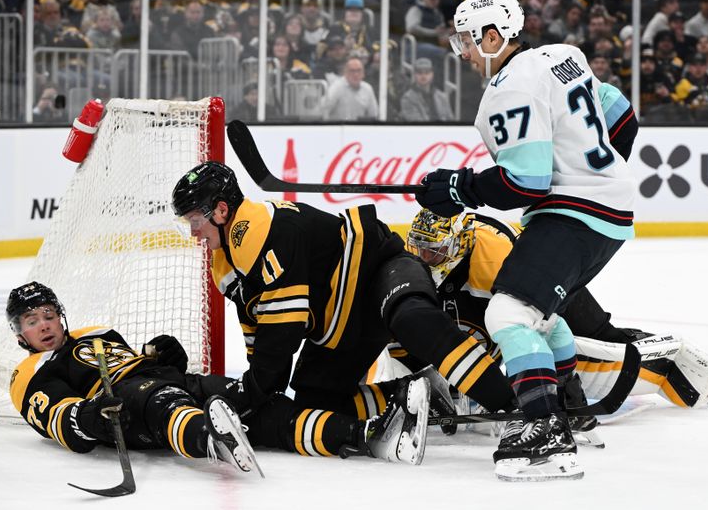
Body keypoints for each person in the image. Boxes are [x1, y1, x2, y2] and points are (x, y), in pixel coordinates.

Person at [417, 0, 637, 480]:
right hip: (604, 208)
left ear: (493, 36)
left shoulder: (508, 87)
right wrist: (592, 170)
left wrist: (457, 186)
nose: (466, 53)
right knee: (536, 313)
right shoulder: (563, 56)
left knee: (509, 313)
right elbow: (623, 120)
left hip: (575, 213)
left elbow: (525, 182)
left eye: (469, 42)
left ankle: (544, 433)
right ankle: (571, 413)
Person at [170, 162, 526, 462]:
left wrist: (252, 392)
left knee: (412, 318)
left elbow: (283, 331)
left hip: (379, 268)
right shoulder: (226, 263)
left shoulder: (259, 233)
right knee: (317, 403)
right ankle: (414, 397)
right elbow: (258, 329)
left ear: (221, 210)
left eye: (196, 220)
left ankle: (520, 406)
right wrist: (267, 391)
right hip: (343, 321)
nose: (193, 232)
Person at [396, 208, 708, 414]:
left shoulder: (496, 259)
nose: (423, 258)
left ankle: (670, 362)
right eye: (418, 248)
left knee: (598, 335)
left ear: (457, 246)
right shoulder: (437, 261)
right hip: (504, 287)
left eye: (433, 252)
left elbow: (518, 325)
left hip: (544, 282)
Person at [5, 281, 260, 473]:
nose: (44, 325)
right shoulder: (30, 374)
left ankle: (298, 427)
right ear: (20, 336)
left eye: (49, 316)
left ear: (60, 318)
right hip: (126, 403)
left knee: (235, 392)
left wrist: (163, 357)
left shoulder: (98, 331)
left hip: (157, 380)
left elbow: (133, 364)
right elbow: (58, 417)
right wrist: (91, 416)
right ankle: (211, 439)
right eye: (32, 321)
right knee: (163, 403)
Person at [322, 56, 378, 121]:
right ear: (345, 73)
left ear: (363, 73)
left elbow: (373, 115)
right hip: (339, 129)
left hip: (359, 129)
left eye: (359, 70)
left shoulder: (368, 89)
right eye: (352, 71)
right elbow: (323, 111)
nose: (356, 74)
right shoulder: (336, 88)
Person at [400, 57, 454, 122]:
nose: (423, 76)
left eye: (427, 72)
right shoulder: (407, 98)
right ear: (414, 75)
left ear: (432, 74)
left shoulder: (441, 96)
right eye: (420, 72)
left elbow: (451, 121)